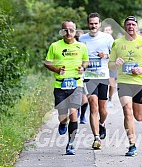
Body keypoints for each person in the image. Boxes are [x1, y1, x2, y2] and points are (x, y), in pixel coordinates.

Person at [108, 16, 142, 156]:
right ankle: (132, 145)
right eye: (128, 24)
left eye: (133, 24)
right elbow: (110, 64)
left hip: (139, 82)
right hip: (124, 82)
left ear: (136, 26)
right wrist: (115, 63)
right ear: (124, 27)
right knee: (127, 112)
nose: (130, 27)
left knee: (138, 115)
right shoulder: (117, 43)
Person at [44, 20, 89, 155]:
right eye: (66, 30)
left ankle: (70, 144)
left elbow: (86, 61)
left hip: (76, 84)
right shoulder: (55, 46)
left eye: (71, 30)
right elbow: (47, 63)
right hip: (60, 85)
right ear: (62, 31)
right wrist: (57, 70)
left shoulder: (81, 46)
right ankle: (63, 123)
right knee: (63, 117)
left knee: (73, 114)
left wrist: (83, 67)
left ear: (75, 31)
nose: (68, 32)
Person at [79, 13, 114, 149]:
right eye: (91, 23)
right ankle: (96, 138)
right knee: (93, 106)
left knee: (103, 109)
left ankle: (102, 123)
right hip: (89, 77)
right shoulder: (82, 39)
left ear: (100, 24)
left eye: (96, 23)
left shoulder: (107, 38)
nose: (93, 26)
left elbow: (116, 55)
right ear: (88, 24)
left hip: (103, 77)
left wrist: (106, 55)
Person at [74, 29, 89, 124]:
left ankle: (82, 115)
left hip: (83, 76)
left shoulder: (84, 48)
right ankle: (77, 112)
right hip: (72, 76)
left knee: (84, 99)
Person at [103, 25, 117, 108]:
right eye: (106, 30)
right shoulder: (100, 41)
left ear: (111, 31)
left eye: (109, 30)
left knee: (112, 82)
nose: (107, 31)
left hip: (112, 64)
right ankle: (102, 99)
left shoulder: (114, 42)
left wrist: (107, 56)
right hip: (103, 65)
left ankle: (110, 99)